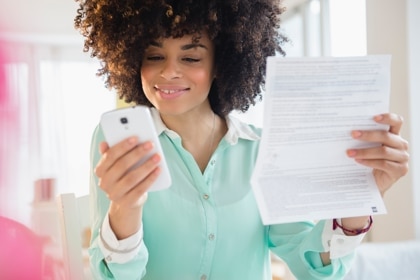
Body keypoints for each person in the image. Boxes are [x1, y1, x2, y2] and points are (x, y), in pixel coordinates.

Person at [75, 0, 410, 279]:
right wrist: (126, 206)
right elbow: (117, 275)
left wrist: (359, 197)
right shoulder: (118, 141)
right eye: (154, 56)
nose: (169, 72)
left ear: (222, 63)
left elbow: (314, 269)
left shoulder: (262, 151)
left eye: (190, 57)